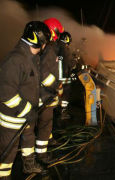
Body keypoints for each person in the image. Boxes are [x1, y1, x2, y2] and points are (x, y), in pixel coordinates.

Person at [0, 21, 51, 179]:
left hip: (28, 116)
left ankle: (28, 166)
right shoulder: (15, 60)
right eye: (45, 43)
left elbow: (31, 84)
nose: (45, 47)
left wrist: (42, 97)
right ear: (39, 42)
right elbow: (5, 93)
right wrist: (25, 110)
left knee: (29, 140)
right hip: (12, 119)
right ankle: (4, 176)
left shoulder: (31, 57)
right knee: (8, 152)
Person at [35, 17, 66, 164]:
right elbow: (44, 74)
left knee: (47, 121)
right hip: (45, 94)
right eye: (58, 33)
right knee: (45, 122)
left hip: (45, 93)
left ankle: (49, 138)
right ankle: (42, 155)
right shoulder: (48, 51)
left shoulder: (45, 48)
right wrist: (55, 85)